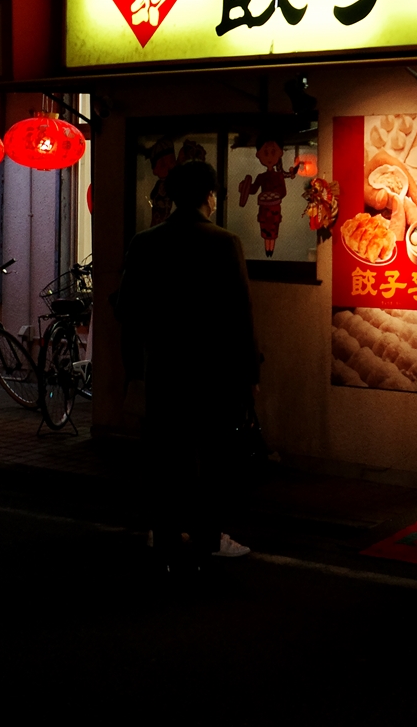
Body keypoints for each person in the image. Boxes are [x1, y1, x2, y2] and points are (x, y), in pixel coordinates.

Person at [118, 159, 261, 562]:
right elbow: (241, 316)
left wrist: (135, 370)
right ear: (209, 196)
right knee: (212, 459)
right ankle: (208, 538)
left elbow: (127, 311)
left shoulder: (145, 243)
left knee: (165, 458)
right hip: (213, 373)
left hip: (163, 369)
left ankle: (165, 535)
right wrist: (250, 374)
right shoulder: (224, 242)